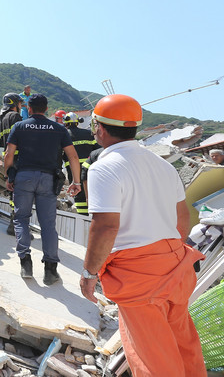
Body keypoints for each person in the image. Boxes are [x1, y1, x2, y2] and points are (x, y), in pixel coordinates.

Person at [80, 94, 206, 377]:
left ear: (98, 127)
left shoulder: (104, 167)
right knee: (183, 342)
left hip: (138, 275)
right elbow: (182, 218)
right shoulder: (163, 165)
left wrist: (90, 273)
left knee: (153, 356)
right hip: (176, 263)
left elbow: (105, 226)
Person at [4, 94, 81, 284]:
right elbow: (72, 157)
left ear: (29, 108)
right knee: (48, 225)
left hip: (24, 177)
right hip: (48, 179)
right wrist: (76, 181)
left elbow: (9, 154)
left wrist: (8, 176)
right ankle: (50, 270)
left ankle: (26, 265)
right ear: (46, 109)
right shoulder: (59, 128)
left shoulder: (19, 126)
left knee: (21, 219)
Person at [0, 93, 24, 235]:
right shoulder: (15, 117)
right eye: (20, 103)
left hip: (8, 160)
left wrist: (6, 144)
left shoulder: (2, 119)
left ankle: (13, 222)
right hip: (18, 159)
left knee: (12, 191)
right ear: (15, 104)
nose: (21, 106)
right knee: (21, 193)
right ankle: (17, 225)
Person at [62, 112, 101, 215]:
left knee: (78, 194)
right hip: (90, 168)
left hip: (73, 171)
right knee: (92, 192)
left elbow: (58, 156)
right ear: (78, 122)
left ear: (65, 122)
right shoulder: (89, 134)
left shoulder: (63, 135)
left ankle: (83, 217)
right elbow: (98, 151)